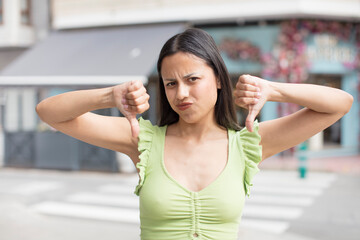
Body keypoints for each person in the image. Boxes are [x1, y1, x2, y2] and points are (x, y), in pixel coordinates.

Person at [36, 28, 353, 240]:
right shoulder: (142, 140)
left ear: (218, 79)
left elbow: (339, 104)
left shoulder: (247, 144)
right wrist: (109, 97)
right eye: (170, 83)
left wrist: (273, 89)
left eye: (192, 79)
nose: (181, 93)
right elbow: (50, 112)